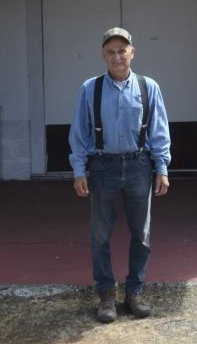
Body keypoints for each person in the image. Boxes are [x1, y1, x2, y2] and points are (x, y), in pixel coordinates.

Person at [69, 27, 171, 322]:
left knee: (141, 235)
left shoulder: (148, 87)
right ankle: (106, 294)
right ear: (103, 55)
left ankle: (134, 291)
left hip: (139, 165)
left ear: (132, 53)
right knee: (101, 236)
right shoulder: (90, 88)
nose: (117, 57)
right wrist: (79, 171)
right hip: (103, 167)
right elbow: (79, 133)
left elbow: (159, 131)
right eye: (111, 52)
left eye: (122, 51)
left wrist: (162, 169)